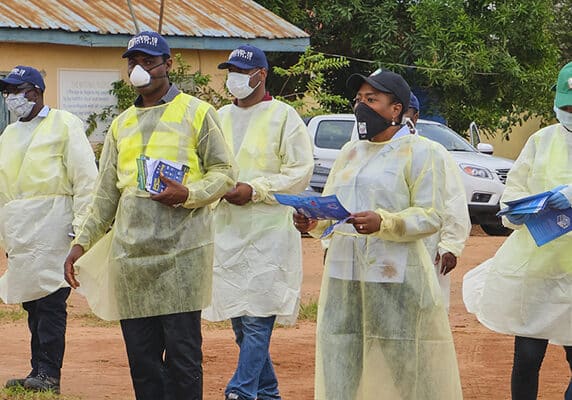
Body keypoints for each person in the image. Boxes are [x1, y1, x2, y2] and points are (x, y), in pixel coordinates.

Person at [63, 31, 236, 400]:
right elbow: (106, 193)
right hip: (132, 259)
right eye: (132, 62)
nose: (139, 69)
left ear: (168, 65)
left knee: (183, 358)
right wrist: (81, 243)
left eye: (148, 61)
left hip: (181, 257)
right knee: (142, 360)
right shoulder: (121, 124)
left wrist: (189, 193)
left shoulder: (199, 113)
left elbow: (224, 173)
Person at [293, 69, 464, 399]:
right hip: (345, 278)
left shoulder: (420, 152)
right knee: (340, 357)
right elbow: (333, 207)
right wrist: (312, 222)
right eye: (358, 99)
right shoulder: (350, 152)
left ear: (396, 109)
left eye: (372, 99)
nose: (361, 107)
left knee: (405, 364)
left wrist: (383, 222)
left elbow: (430, 215)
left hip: (394, 277)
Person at [202, 45, 313, 400]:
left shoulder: (284, 116)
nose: (232, 78)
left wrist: (256, 189)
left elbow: (299, 172)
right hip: (227, 230)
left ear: (261, 75)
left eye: (240, 71)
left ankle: (242, 390)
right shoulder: (218, 117)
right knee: (239, 319)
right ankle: (268, 393)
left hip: (268, 231)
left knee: (258, 318)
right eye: (229, 71)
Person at [463, 61, 572, 400]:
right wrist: (528, 210)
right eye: (566, 106)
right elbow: (511, 199)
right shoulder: (541, 141)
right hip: (538, 272)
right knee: (527, 357)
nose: (570, 113)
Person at [0, 66, 97, 394]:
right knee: (32, 302)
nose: (10, 97)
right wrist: (6, 237)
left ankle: (49, 374)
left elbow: (85, 181)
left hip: (55, 229)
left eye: (16, 90)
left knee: (51, 302)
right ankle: (36, 369)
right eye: (6, 91)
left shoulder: (64, 124)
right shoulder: (9, 134)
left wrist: (81, 231)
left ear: (36, 91)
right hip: (22, 232)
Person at [403, 92, 471, 310]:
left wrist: (450, 245)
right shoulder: (365, 151)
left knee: (426, 307)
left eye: (406, 112)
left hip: (426, 246)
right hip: (381, 250)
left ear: (415, 116)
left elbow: (453, 199)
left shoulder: (434, 153)